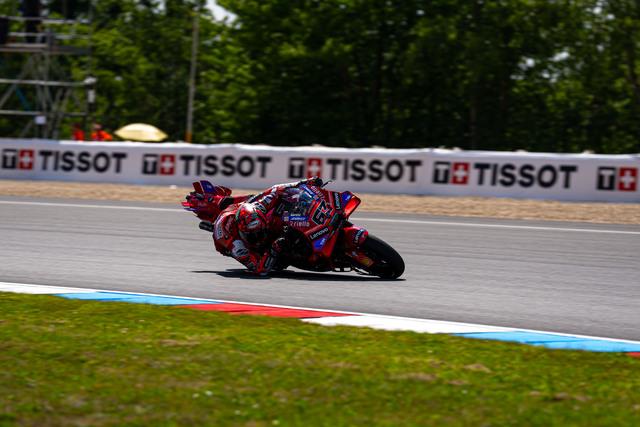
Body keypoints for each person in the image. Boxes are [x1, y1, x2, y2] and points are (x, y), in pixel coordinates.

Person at [207, 178, 322, 275]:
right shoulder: (237, 245)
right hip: (225, 239)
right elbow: (259, 269)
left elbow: (276, 189)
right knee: (277, 265)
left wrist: (306, 182)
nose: (259, 237)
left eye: (259, 232)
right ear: (242, 232)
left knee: (281, 205)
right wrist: (274, 249)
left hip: (240, 208)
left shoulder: (260, 206)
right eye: (253, 235)